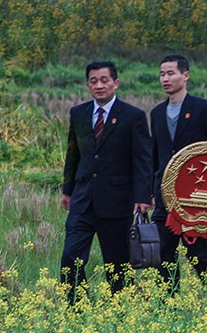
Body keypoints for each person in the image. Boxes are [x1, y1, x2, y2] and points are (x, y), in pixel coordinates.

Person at [60, 61, 152, 301]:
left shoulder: (133, 116)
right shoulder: (78, 114)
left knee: (118, 264)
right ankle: (74, 309)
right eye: (93, 81)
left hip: (117, 202)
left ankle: (119, 312)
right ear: (88, 85)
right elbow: (73, 154)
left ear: (116, 83)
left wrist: (143, 196)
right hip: (83, 201)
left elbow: (142, 160)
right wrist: (67, 190)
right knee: (70, 258)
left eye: (104, 80)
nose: (99, 85)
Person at [150, 54, 207, 293]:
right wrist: (148, 192)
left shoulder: (204, 109)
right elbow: (154, 154)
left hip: (195, 198)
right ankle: (169, 303)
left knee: (198, 254)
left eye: (170, 73)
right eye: (162, 74)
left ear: (185, 76)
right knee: (162, 253)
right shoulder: (156, 113)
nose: (165, 79)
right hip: (164, 195)